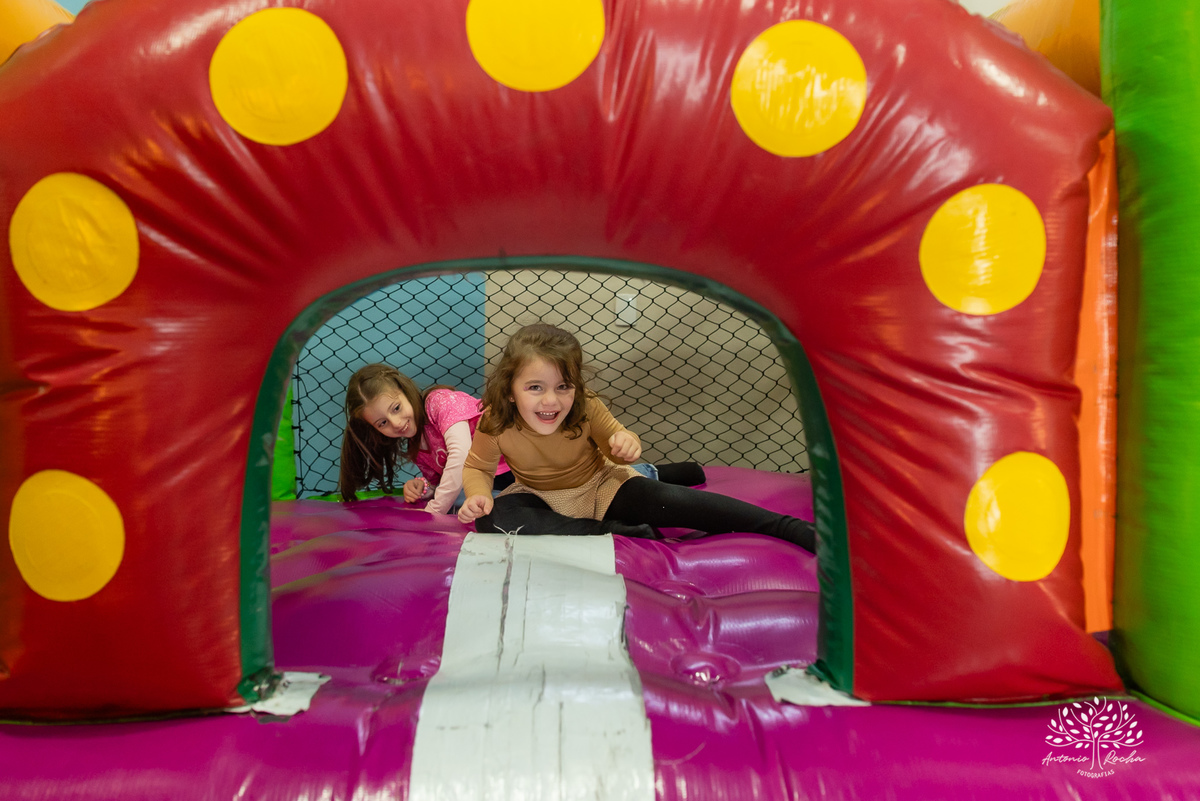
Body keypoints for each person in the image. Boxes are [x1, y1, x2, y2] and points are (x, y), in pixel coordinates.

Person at [457, 324, 816, 552]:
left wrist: (626, 443)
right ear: (509, 391)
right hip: (541, 498)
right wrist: (476, 495)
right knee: (491, 520)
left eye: (563, 387)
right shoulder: (496, 423)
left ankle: (785, 526)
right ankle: (613, 533)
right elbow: (477, 468)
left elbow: (618, 436)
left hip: (602, 487)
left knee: (673, 501)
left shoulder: (585, 407)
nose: (551, 401)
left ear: (576, 387)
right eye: (535, 388)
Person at [338, 363, 513, 512]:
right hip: (487, 485)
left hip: (514, 468)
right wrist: (423, 487)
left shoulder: (438, 402)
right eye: (382, 423)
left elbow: (461, 456)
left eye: (396, 408)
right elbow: (441, 482)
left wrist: (435, 509)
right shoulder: (417, 447)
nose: (396, 423)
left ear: (405, 391)